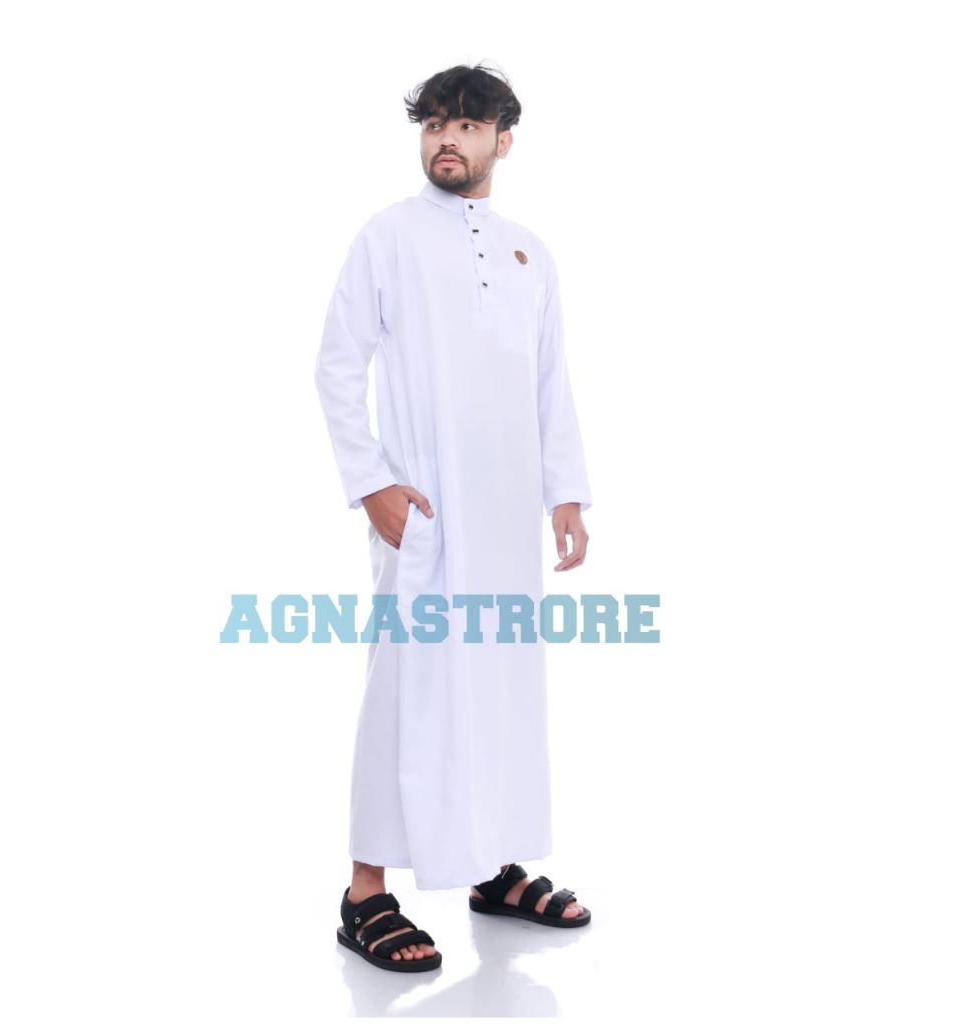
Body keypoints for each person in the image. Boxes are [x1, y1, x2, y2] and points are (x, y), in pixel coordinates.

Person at [315, 63, 594, 973]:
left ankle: (494, 865)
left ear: (502, 142)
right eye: (435, 123)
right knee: (407, 686)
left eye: (468, 125)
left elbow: (549, 380)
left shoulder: (528, 254)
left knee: (503, 685)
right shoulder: (388, 238)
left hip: (507, 515)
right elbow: (337, 363)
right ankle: (365, 893)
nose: (448, 138)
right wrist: (372, 484)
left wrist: (565, 493)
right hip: (424, 511)